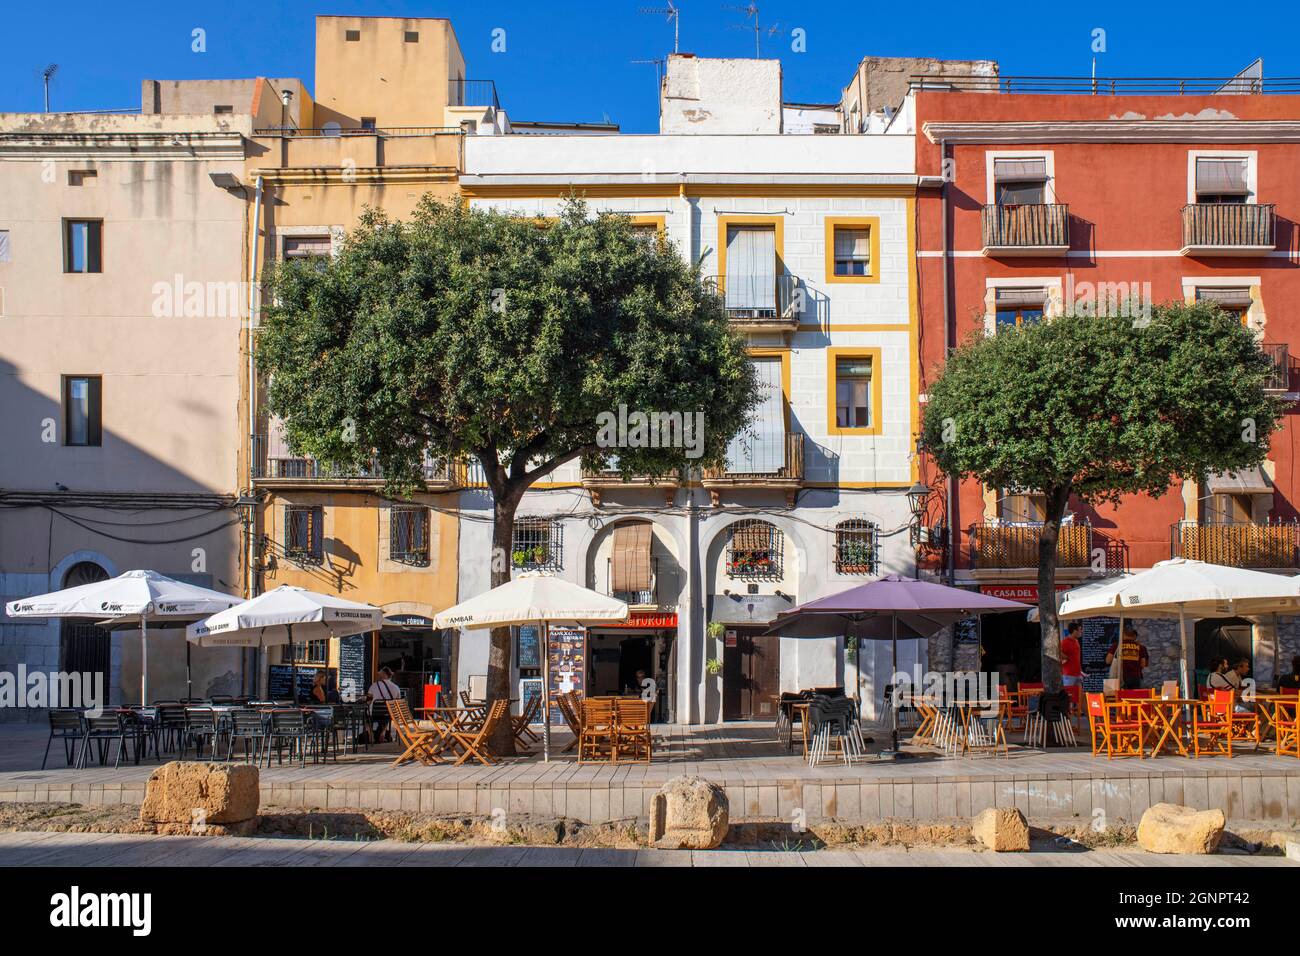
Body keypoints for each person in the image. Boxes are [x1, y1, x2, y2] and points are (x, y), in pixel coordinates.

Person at [1105, 625, 1149, 690]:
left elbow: (1108, 661)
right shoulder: (1141, 647)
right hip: (1135, 677)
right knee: (1134, 698)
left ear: (1123, 634)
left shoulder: (1117, 646)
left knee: (1119, 698)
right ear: (1134, 636)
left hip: (1120, 677)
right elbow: (1143, 664)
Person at [367, 667, 401, 743]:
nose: (379, 676)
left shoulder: (373, 686)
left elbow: (368, 701)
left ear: (384, 675)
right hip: (389, 714)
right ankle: (383, 732)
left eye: (380, 674)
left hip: (374, 714)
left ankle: (371, 734)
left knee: (366, 718)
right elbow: (398, 702)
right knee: (387, 717)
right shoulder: (396, 687)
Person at [1060, 622, 1083, 688]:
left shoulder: (1076, 641)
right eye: (1080, 629)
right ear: (1074, 631)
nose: (1081, 631)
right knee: (1069, 694)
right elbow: (1057, 652)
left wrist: (1080, 670)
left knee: (1079, 695)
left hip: (1077, 674)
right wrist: (1066, 657)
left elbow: (1076, 657)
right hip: (1068, 675)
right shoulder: (1065, 642)